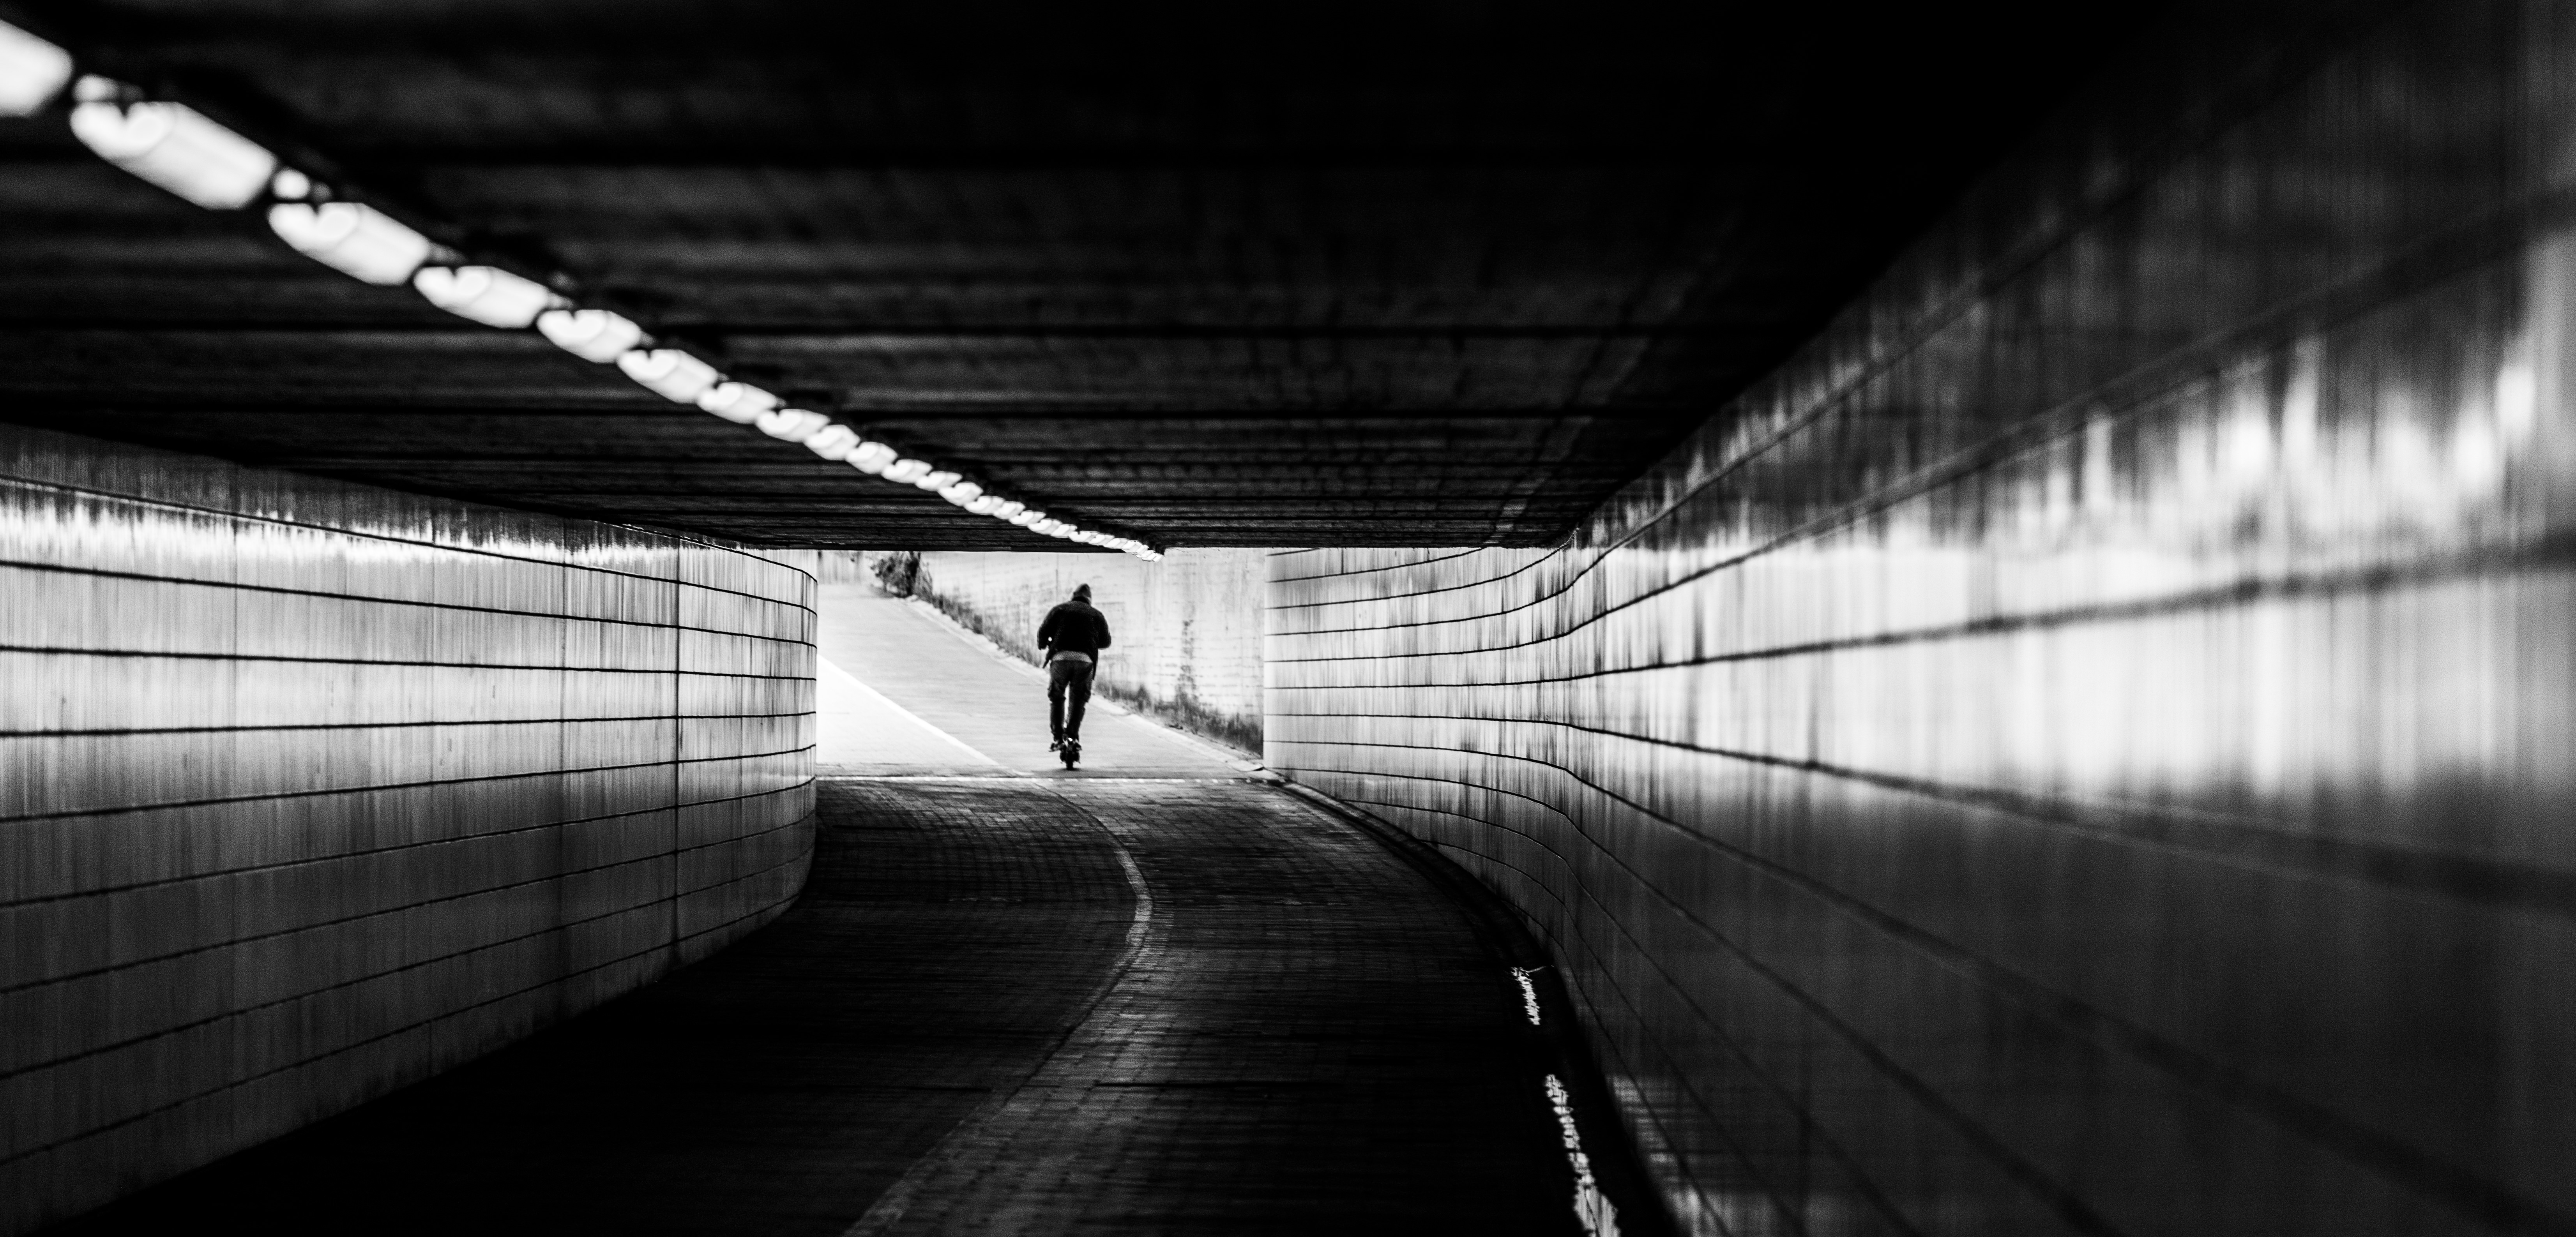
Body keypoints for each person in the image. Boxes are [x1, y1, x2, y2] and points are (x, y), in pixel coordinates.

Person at [1036, 582, 1112, 750]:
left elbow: (1043, 632)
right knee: (1079, 700)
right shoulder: (1097, 615)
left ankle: (1058, 738)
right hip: (1085, 660)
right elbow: (1106, 642)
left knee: (1057, 696)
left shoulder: (1059, 610)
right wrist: (1091, 643)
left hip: (1061, 658)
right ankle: (1072, 737)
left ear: (1073, 597)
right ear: (1089, 600)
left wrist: (1043, 644)